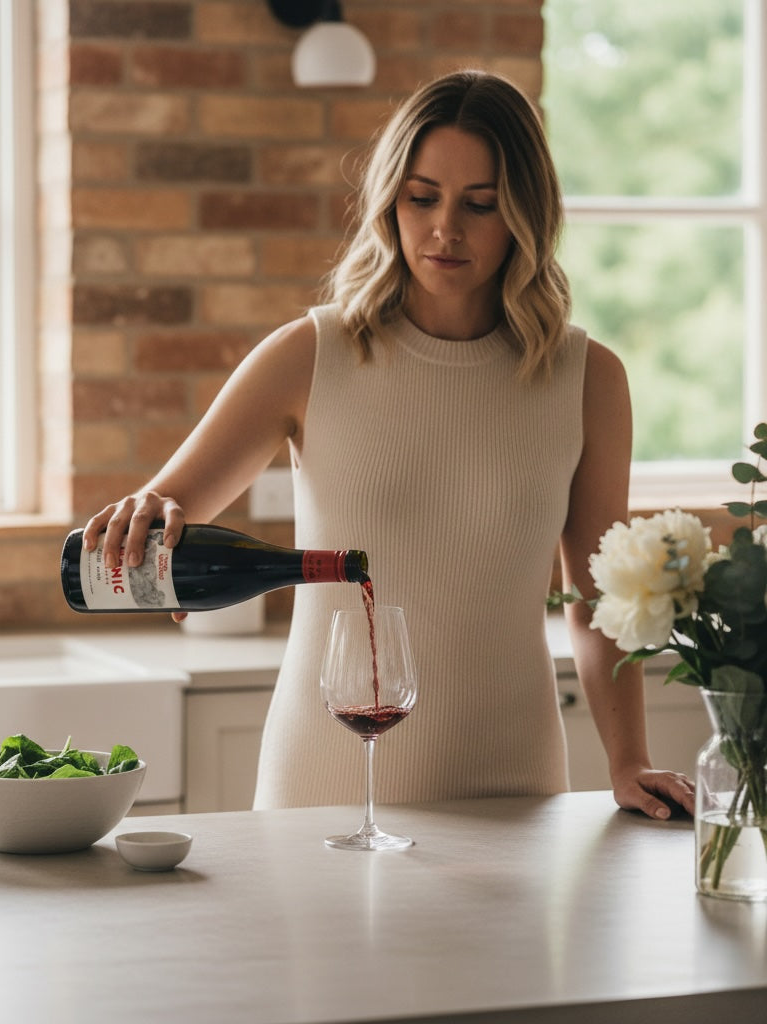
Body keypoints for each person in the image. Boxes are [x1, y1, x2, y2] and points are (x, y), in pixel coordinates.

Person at [80, 69, 696, 821]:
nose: (446, 228)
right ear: (389, 202)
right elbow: (173, 505)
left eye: (481, 204)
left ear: (526, 214)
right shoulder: (311, 353)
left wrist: (628, 762)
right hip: (325, 789)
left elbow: (595, 600)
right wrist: (148, 514)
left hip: (511, 787)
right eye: (421, 196)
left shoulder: (587, 378)